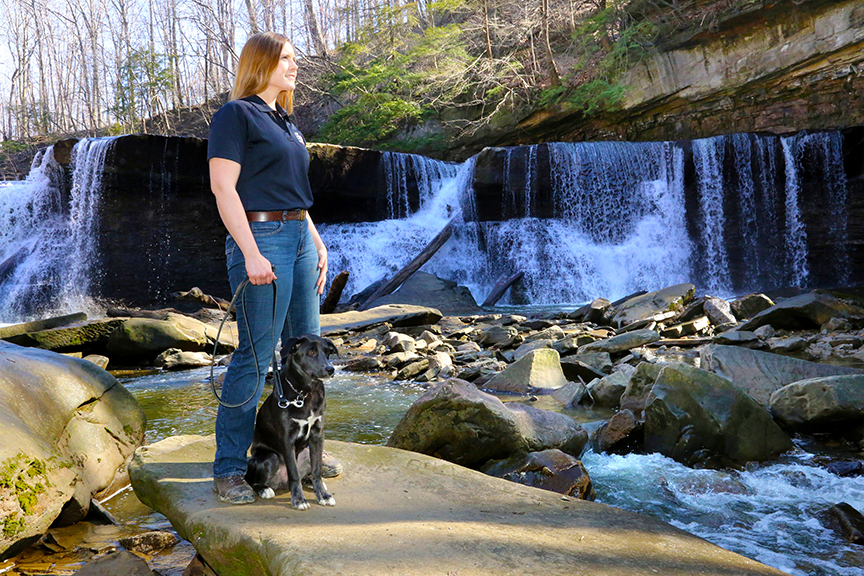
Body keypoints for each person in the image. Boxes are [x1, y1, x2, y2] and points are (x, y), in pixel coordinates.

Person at [207, 32, 338, 504]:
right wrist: (250, 251)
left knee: (306, 347)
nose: (294, 66)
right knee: (256, 356)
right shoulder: (235, 114)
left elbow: (294, 192)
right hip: (261, 238)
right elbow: (224, 189)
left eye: (294, 59)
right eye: (286, 59)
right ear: (261, 63)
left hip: (300, 236)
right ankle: (227, 470)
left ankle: (306, 458)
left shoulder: (286, 121)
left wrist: (317, 242)